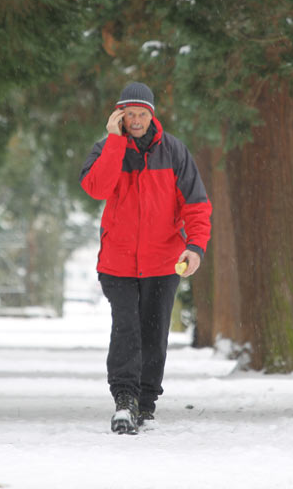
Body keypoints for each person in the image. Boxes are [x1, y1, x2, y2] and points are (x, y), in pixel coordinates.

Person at [80, 81, 212, 434]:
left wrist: (195, 246)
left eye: (141, 114)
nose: (136, 121)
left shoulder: (174, 152)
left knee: (154, 334)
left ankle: (146, 403)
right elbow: (96, 188)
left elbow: (196, 206)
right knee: (127, 329)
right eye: (129, 114)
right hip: (117, 264)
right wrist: (114, 142)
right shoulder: (105, 148)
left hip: (163, 262)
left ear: (151, 115)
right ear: (118, 115)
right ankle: (124, 400)